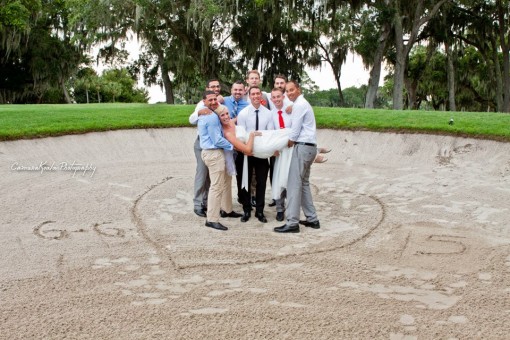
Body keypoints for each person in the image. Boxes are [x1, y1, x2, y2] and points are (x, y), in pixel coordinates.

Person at [274, 80, 320, 233]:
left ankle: (292, 222)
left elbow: (294, 131)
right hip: (309, 147)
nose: (289, 93)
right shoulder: (301, 104)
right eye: (287, 91)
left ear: (298, 89)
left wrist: (284, 144)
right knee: (304, 184)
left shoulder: (300, 105)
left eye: (292, 90)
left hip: (302, 147)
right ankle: (312, 219)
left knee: (294, 185)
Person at [198, 91, 242, 231]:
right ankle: (211, 219)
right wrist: (234, 146)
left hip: (216, 152)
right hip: (213, 153)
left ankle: (226, 210)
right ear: (204, 102)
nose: (213, 102)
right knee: (216, 187)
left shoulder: (212, 113)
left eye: (214, 99)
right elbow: (216, 140)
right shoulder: (210, 117)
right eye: (209, 100)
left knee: (224, 182)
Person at [237, 86, 275, 223]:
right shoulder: (243, 113)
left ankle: (260, 210)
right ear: (249, 96)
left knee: (261, 182)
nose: (255, 96)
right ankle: (246, 209)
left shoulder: (268, 114)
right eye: (253, 94)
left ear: (261, 95)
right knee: (245, 180)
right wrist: (249, 143)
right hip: (247, 151)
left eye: (258, 93)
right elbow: (241, 134)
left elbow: (269, 133)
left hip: (262, 151)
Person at [189, 79, 224, 217]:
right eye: (212, 86)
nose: (216, 88)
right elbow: (191, 119)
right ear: (207, 88)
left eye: (217, 86)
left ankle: (209, 203)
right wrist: (199, 113)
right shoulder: (202, 104)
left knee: (213, 176)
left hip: (216, 144)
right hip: (202, 144)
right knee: (202, 173)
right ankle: (198, 204)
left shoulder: (219, 103)